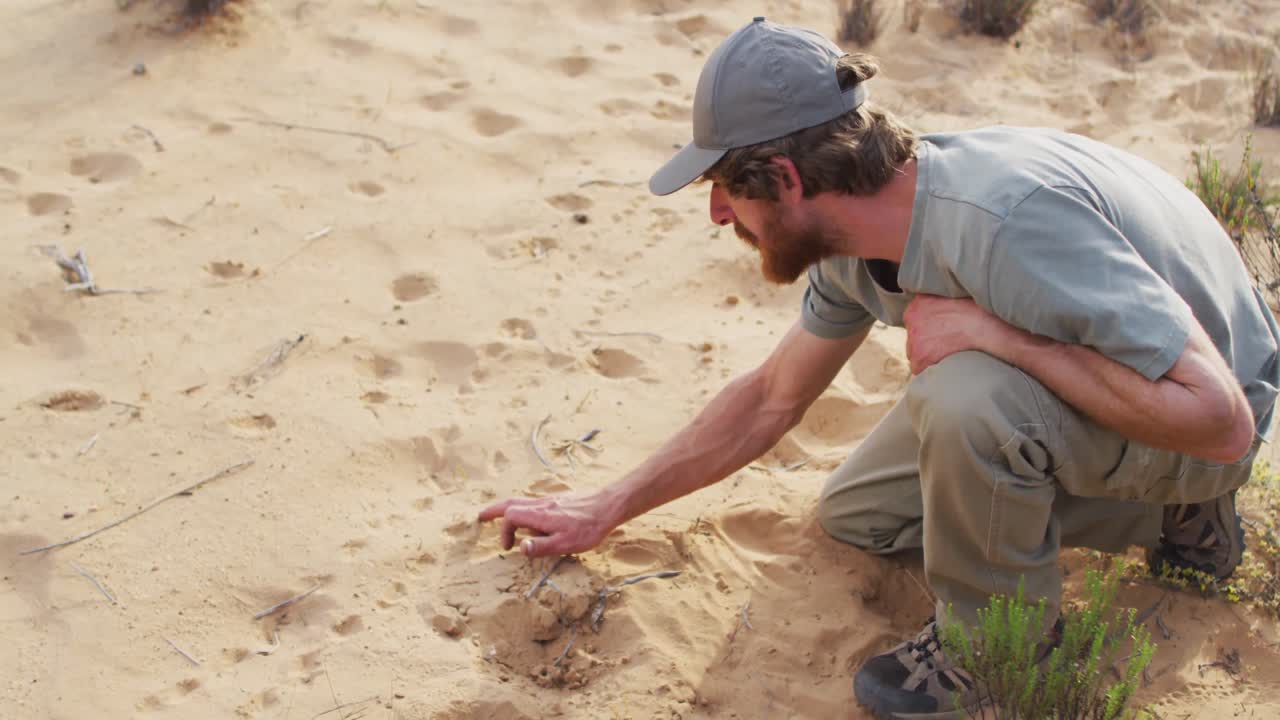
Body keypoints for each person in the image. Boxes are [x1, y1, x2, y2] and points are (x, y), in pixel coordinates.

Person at [478, 17, 1280, 719]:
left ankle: (1001, 653)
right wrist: (608, 505)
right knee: (863, 516)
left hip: (1206, 419)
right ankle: (1168, 522)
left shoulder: (1002, 224)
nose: (719, 212)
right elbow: (769, 398)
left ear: (785, 180)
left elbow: (1220, 420)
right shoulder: (860, 235)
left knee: (967, 397)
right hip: (1129, 382)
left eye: (724, 187)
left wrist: (998, 337)